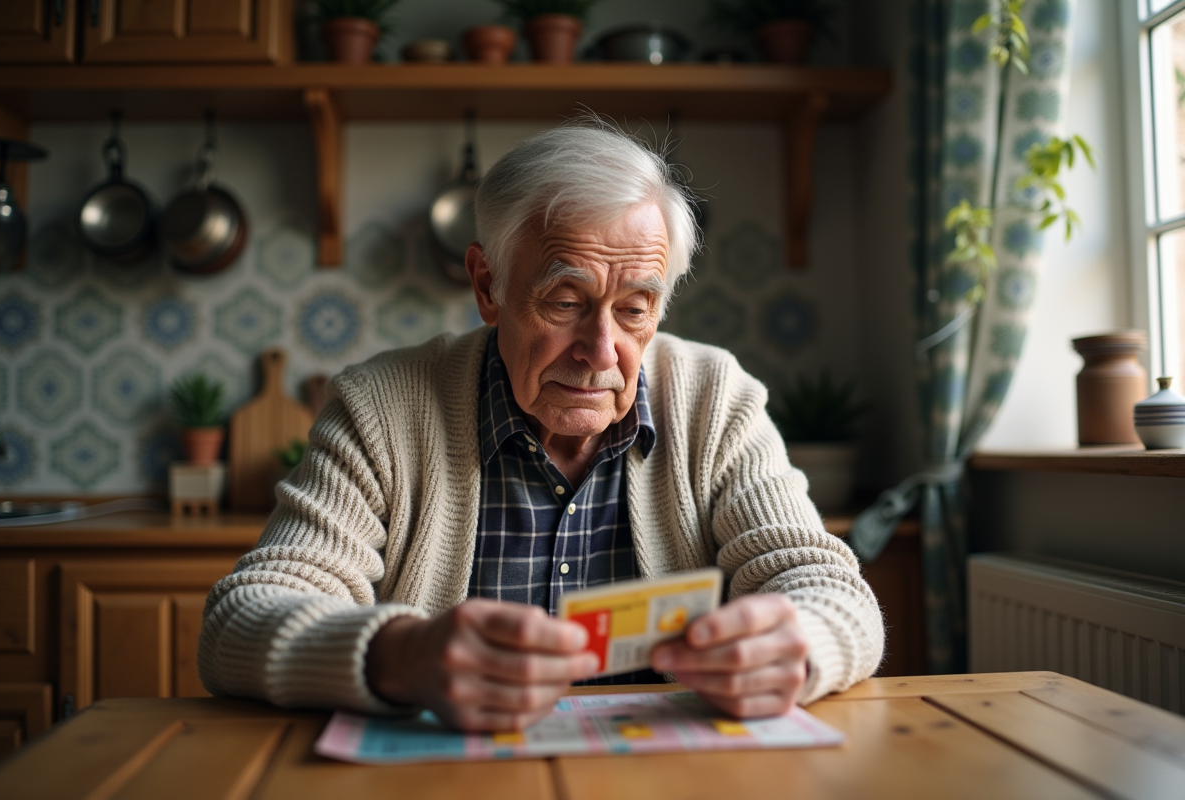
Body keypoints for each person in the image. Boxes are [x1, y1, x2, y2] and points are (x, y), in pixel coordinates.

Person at [199, 122, 884, 732]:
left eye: (636, 309)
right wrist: (399, 656)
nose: (602, 349)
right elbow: (238, 622)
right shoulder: (383, 407)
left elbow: (832, 592)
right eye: (565, 301)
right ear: (488, 286)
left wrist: (796, 643)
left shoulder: (716, 400)